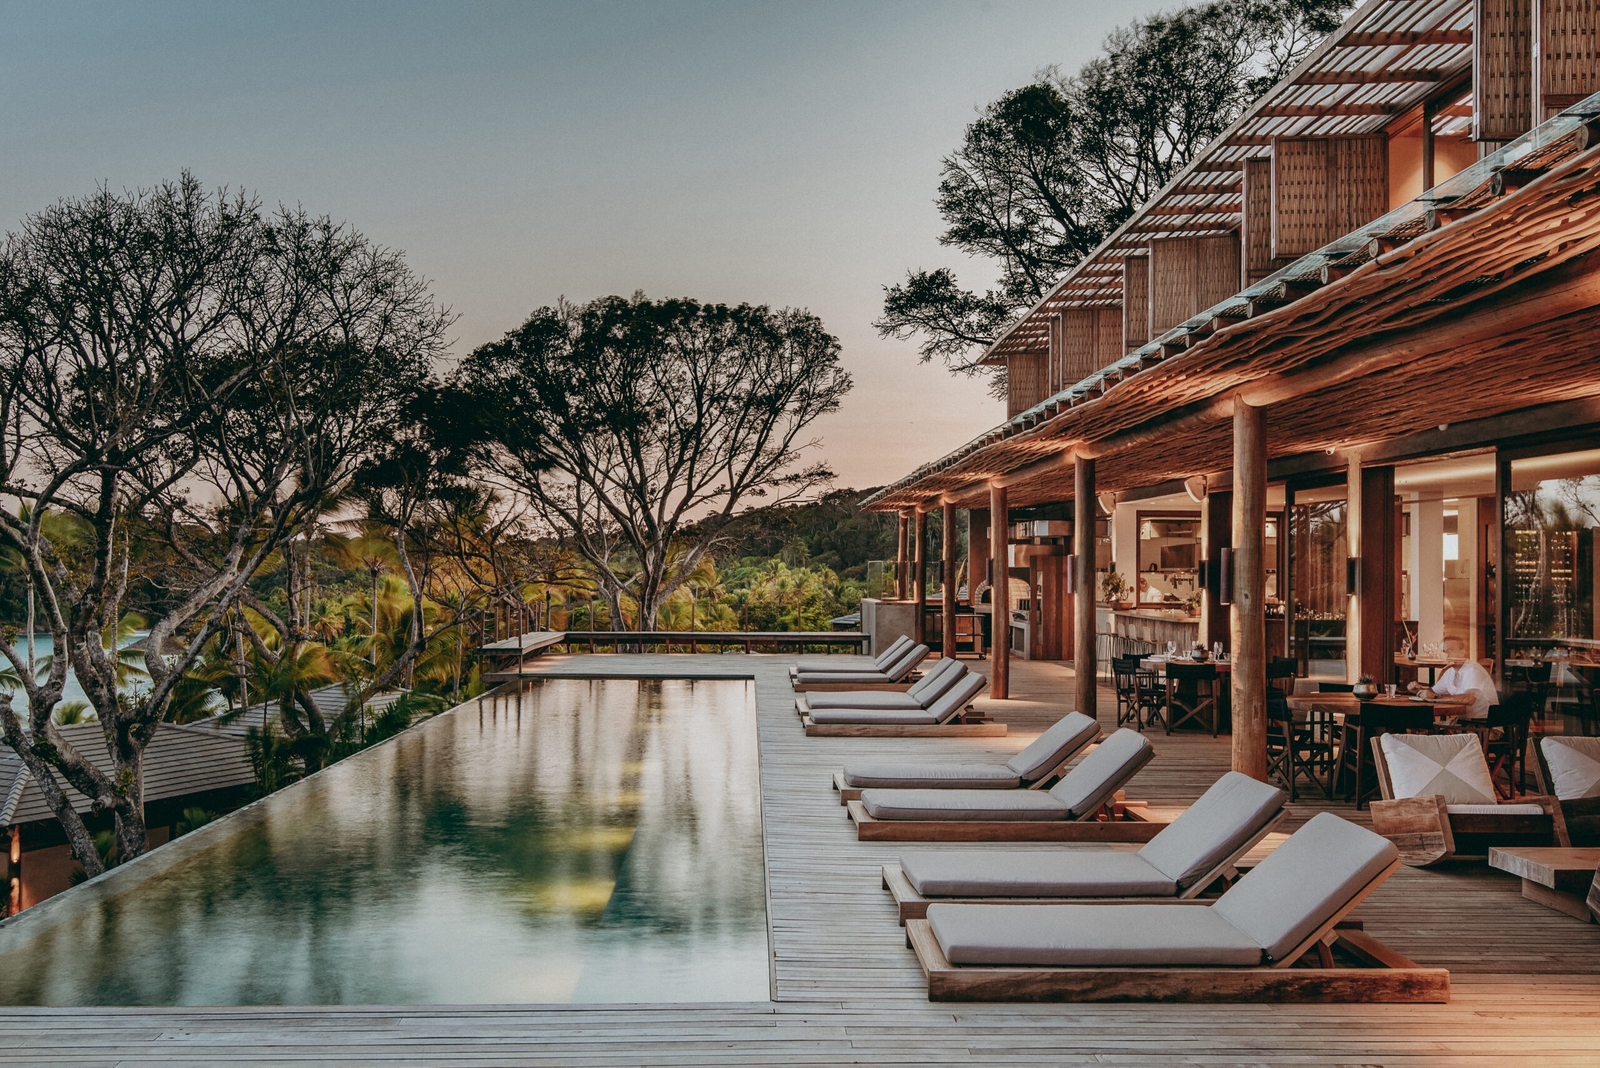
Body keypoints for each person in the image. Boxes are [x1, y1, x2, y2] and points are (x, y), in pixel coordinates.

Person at [1408, 646, 1497, 719]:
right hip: (1464, 724)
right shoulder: (1450, 671)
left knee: (1431, 731)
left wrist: (1435, 698)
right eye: (1444, 651)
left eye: (1450, 650)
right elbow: (1433, 692)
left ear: (1463, 652)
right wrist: (1418, 690)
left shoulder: (1472, 669)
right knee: (1423, 727)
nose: (1446, 654)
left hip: (1483, 727)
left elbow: (1469, 699)